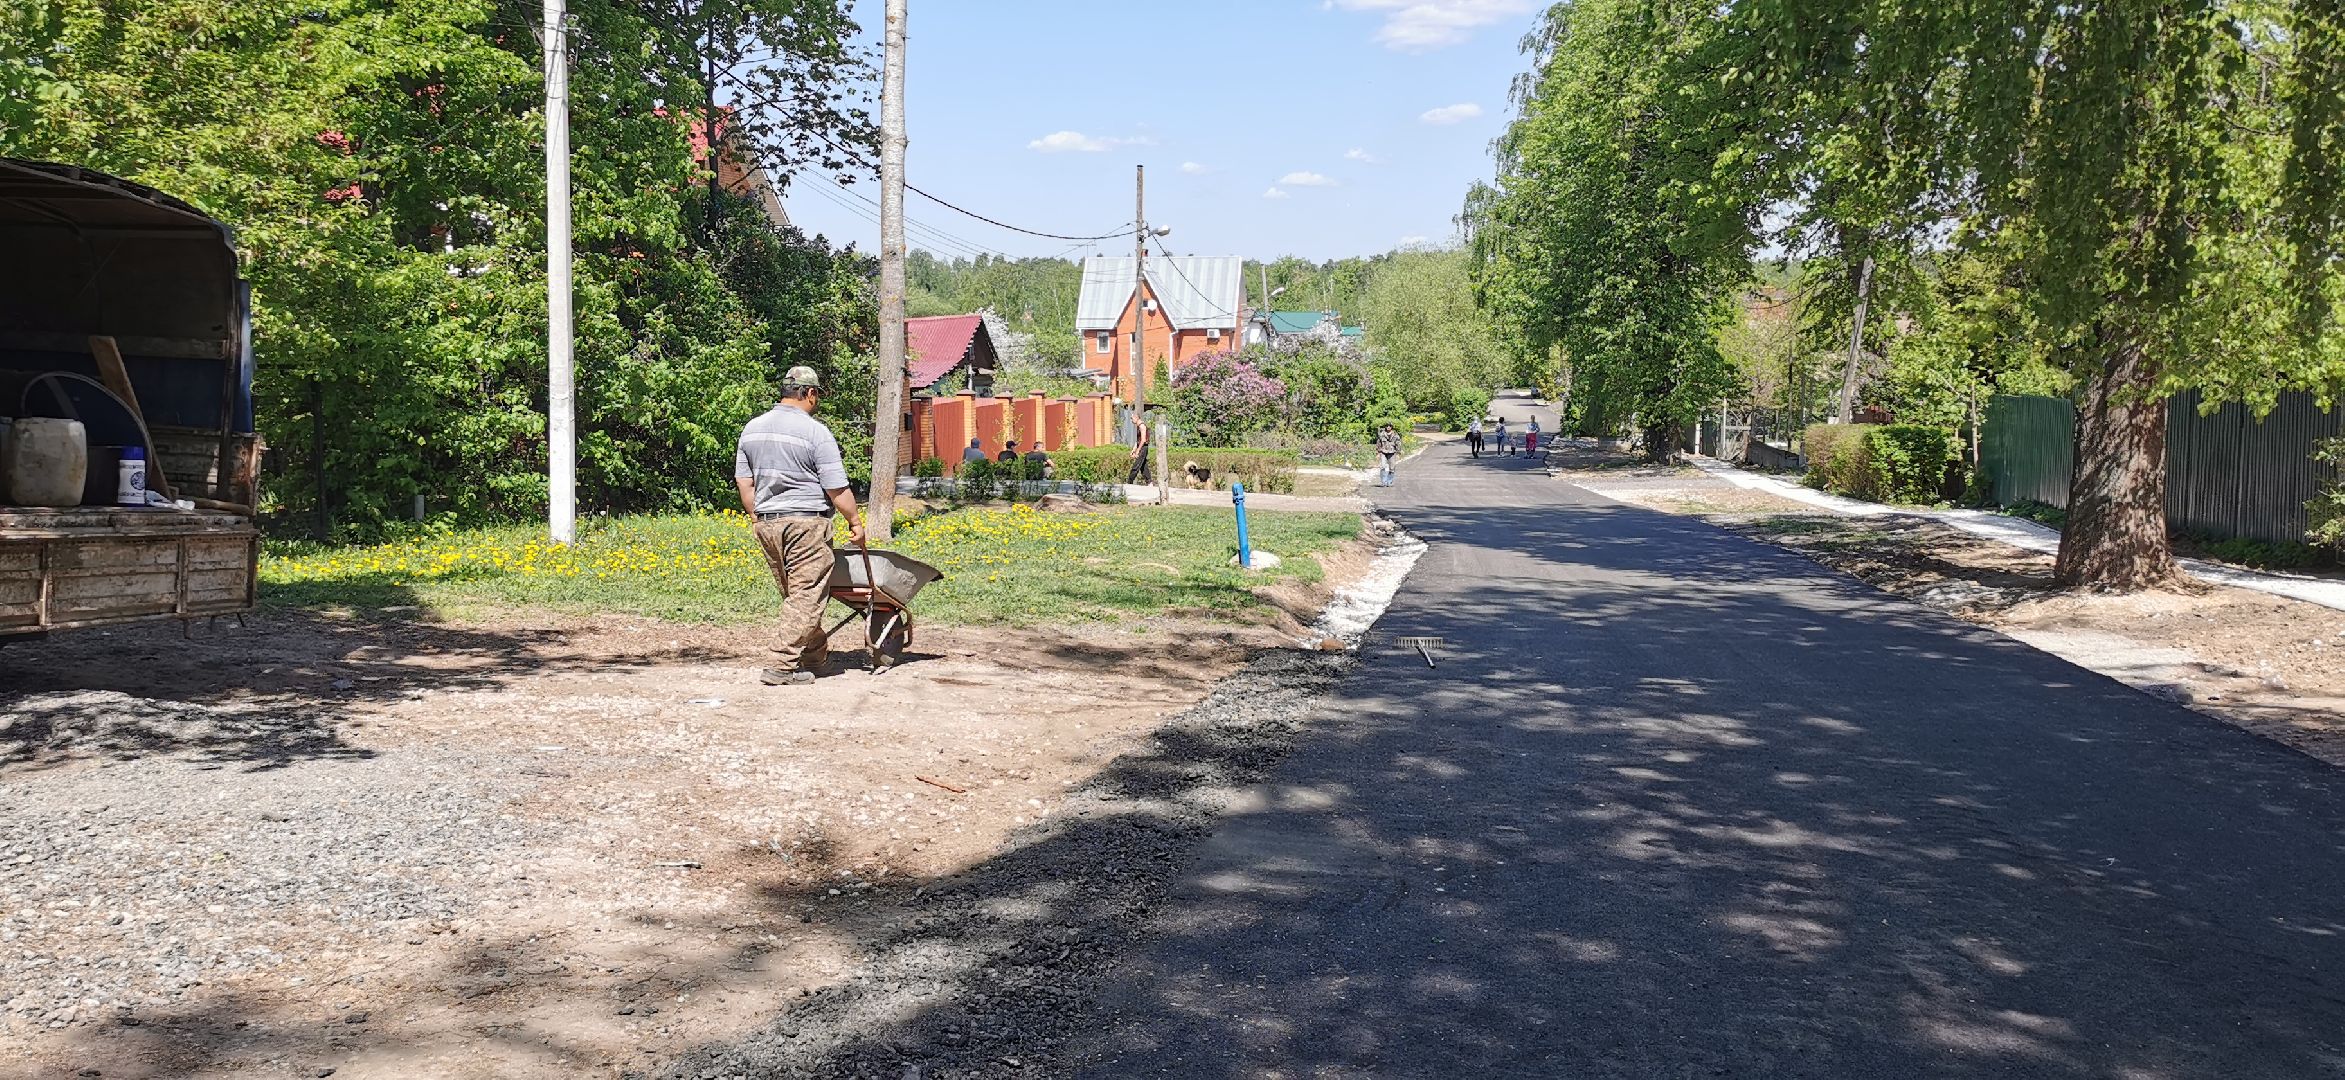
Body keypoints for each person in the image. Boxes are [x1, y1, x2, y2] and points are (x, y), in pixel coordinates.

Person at [736, 366, 864, 687]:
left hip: (767, 523)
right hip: (806, 523)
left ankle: (814, 655)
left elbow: (744, 481)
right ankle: (781, 664)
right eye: (816, 396)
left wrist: (757, 518)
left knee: (797, 596)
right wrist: (855, 521)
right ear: (810, 393)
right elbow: (836, 488)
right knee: (806, 596)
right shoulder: (815, 432)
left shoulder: (752, 429)